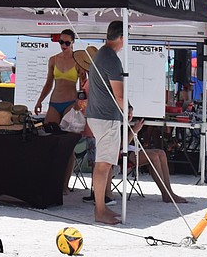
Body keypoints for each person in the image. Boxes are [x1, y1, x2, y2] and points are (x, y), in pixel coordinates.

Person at [85, 20, 125, 225]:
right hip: (106, 116)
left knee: (104, 163)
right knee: (103, 164)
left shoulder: (101, 54)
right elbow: (119, 94)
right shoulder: (111, 58)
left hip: (98, 114)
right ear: (121, 37)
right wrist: (128, 112)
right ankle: (100, 210)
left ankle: (101, 208)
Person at [129, 114, 189, 202]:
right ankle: (165, 193)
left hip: (130, 148)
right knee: (154, 156)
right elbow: (122, 144)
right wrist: (134, 131)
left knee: (161, 153)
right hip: (120, 152)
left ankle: (169, 192)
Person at [34, 29, 81, 124]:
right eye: (61, 42)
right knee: (51, 133)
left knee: (68, 136)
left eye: (67, 43)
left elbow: (83, 85)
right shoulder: (53, 60)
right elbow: (48, 84)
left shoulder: (78, 61)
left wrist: (79, 103)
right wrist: (39, 101)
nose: (63, 46)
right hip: (54, 102)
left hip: (71, 102)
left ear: (73, 42)